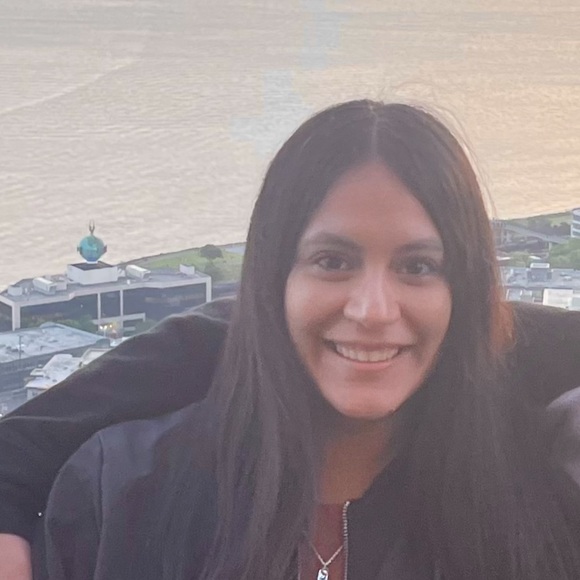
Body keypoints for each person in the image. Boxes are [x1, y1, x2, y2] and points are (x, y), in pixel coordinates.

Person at [2, 100, 580, 578]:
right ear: (274, 278)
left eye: (419, 267)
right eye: (333, 261)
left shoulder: (544, 502)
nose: (373, 311)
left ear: (465, 291)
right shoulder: (117, 499)